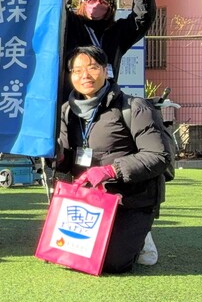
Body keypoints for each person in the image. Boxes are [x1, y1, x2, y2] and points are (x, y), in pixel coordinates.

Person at [55, 46, 171, 274]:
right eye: (77, 70)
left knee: (112, 264)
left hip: (131, 199)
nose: (85, 76)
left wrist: (111, 170)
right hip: (89, 199)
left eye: (92, 68)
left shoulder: (134, 107)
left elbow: (159, 155)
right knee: (71, 256)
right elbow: (65, 161)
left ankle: (142, 235)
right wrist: (53, 154)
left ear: (106, 70)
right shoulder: (66, 111)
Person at [64, 0, 156, 80]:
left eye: (104, 0)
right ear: (82, 2)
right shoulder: (71, 24)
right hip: (72, 95)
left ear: (111, 7)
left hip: (106, 95)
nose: (97, 3)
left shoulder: (117, 33)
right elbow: (56, 8)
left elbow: (142, 19)